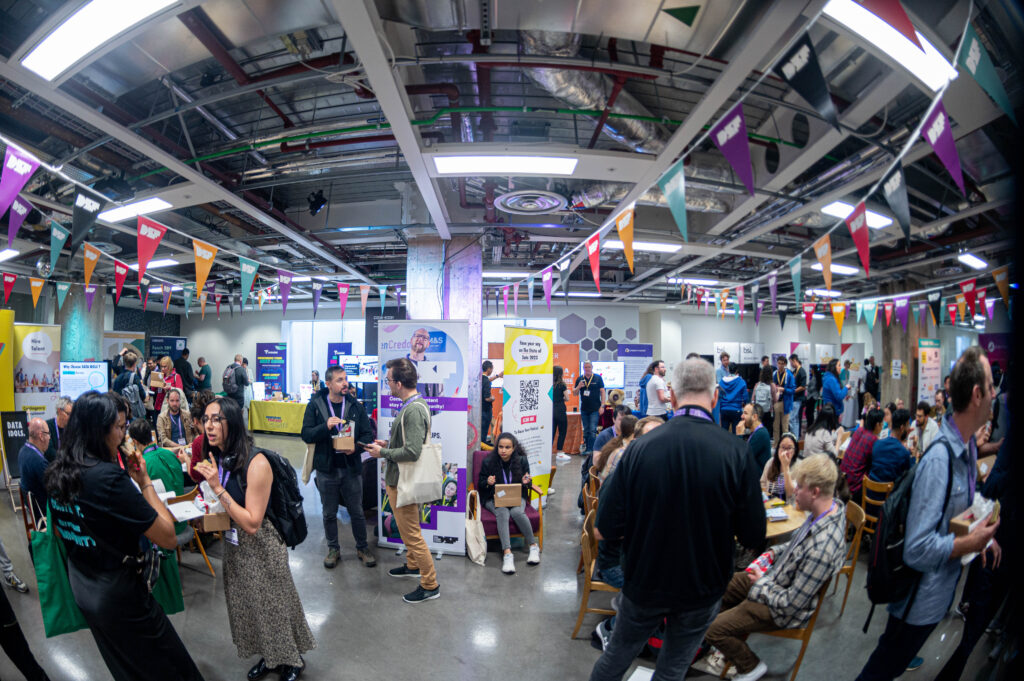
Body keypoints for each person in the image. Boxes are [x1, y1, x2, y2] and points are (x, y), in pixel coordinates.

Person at [588, 358, 765, 681]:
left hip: (644, 580)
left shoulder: (638, 449)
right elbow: (754, 534)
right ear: (715, 397)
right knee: (672, 670)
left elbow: (604, 529)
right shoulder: (736, 451)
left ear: (671, 394)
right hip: (703, 586)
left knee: (615, 658)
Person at [856, 347, 1001, 681]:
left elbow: (958, 509)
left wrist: (980, 534)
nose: (996, 394)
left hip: (936, 597)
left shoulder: (966, 447)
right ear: (977, 395)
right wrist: (970, 543)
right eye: (991, 386)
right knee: (879, 673)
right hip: (917, 605)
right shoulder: (939, 460)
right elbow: (917, 549)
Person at [43, 391, 203, 680]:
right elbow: (167, 535)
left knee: (126, 668)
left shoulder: (57, 472)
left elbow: (60, 528)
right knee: (172, 668)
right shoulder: (107, 478)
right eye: (118, 427)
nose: (123, 435)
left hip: (84, 586)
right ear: (98, 431)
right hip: (120, 595)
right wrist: (144, 481)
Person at [194, 397, 315, 681]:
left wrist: (217, 488)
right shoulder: (222, 457)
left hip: (262, 546)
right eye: (206, 419)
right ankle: (270, 656)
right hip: (236, 546)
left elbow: (251, 522)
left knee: (274, 605)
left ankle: (292, 660)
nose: (208, 426)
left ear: (233, 423)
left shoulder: (256, 462)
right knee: (251, 606)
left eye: (216, 419)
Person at [697, 454, 846, 680]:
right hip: (774, 581)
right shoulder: (825, 511)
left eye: (800, 487)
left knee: (713, 630)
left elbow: (790, 605)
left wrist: (762, 583)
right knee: (721, 587)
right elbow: (795, 546)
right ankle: (726, 644)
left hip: (778, 607)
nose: (794, 491)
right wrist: (773, 552)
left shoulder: (822, 549)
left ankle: (749, 666)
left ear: (815, 492)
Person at [364, 358, 440, 604]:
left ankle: (430, 584)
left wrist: (383, 452)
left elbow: (413, 452)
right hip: (400, 478)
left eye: (388, 380)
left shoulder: (414, 409)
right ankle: (412, 565)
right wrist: (389, 444)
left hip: (404, 480)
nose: (387, 385)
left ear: (398, 383)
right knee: (409, 530)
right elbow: (408, 443)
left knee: (412, 534)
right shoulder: (412, 405)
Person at [300, 365, 376, 569]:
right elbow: (306, 434)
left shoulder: (355, 405)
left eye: (345, 379)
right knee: (329, 513)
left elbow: (367, 435)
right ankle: (333, 549)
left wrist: (356, 448)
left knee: (357, 511)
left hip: (351, 468)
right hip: (326, 469)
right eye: (340, 380)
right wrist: (325, 427)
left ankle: (362, 547)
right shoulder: (315, 405)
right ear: (328, 384)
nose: (345, 383)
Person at [477, 432, 540, 574]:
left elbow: (528, 483)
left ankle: (533, 546)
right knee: (502, 511)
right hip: (493, 497)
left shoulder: (522, 461)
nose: (503, 450)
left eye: (507, 447)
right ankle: (507, 553)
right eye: (500, 447)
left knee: (517, 512)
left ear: (513, 448)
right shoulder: (488, 461)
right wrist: (487, 482)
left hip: (516, 496)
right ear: (497, 447)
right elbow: (481, 484)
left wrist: (526, 482)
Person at [866, 408, 912, 502]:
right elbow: (907, 480)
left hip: (869, 497)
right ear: (902, 428)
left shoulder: (877, 444)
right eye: (908, 425)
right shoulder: (904, 453)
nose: (909, 428)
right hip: (888, 504)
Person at [839, 408, 884, 501]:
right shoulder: (873, 440)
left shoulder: (859, 430)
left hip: (843, 480)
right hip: (855, 487)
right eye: (882, 423)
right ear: (877, 424)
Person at [19, 417, 51, 520]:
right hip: (45, 514)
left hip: (35, 512)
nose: (50, 438)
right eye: (48, 433)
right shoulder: (39, 462)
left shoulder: (23, 451)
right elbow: (55, 490)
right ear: (41, 436)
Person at [574, 361, 606, 455]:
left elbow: (602, 392)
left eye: (589, 367)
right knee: (586, 429)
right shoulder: (580, 379)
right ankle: (587, 448)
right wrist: (579, 386)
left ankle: (592, 449)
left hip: (595, 409)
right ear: (583, 368)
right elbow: (575, 393)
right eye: (585, 367)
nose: (587, 369)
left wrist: (602, 406)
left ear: (592, 367)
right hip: (584, 409)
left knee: (592, 429)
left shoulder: (597, 378)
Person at [594, 415, 637, 482]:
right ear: (634, 433)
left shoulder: (617, 443)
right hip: (608, 486)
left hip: (607, 483)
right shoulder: (622, 452)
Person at [157, 388, 197, 458]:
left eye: (177, 400)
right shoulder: (161, 417)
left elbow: (197, 432)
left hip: (188, 450)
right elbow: (163, 439)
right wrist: (180, 447)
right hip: (171, 451)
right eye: (172, 401)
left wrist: (194, 443)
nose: (175, 404)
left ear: (180, 401)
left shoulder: (188, 415)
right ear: (167, 401)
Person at [761, 433, 797, 501]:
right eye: (783, 447)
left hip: (788, 505)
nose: (785, 451)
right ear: (778, 449)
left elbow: (790, 494)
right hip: (770, 502)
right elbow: (762, 483)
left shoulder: (798, 466)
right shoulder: (771, 462)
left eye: (789, 448)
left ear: (795, 451)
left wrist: (785, 466)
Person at [718, 364, 749, 433]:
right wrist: (744, 405)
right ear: (736, 371)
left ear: (728, 370)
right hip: (736, 410)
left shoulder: (721, 381)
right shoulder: (741, 381)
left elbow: (719, 395)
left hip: (724, 409)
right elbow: (745, 397)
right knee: (738, 434)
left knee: (724, 433)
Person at [740, 403, 771, 470]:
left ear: (754, 417)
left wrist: (739, 433)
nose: (742, 416)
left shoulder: (761, 434)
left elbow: (742, 456)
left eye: (745, 413)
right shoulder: (753, 431)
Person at [772, 356, 795, 444]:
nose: (780, 365)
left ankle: (785, 444)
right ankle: (776, 443)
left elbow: (792, 390)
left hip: (786, 403)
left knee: (785, 426)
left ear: (785, 364)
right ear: (777, 363)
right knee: (776, 425)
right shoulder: (774, 374)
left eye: (782, 363)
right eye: (779, 363)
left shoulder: (789, 375)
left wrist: (784, 389)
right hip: (776, 402)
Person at [45, 395, 73, 460]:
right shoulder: (47, 426)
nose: (70, 418)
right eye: (68, 414)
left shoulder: (72, 428)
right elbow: (49, 451)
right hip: (53, 463)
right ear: (59, 411)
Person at [552, 365, 569, 459]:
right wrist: (561, 399)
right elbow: (567, 398)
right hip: (560, 410)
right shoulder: (562, 384)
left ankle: (548, 453)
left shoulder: (549, 384)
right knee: (562, 431)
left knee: (552, 432)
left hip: (551, 410)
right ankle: (559, 452)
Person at [788, 354, 807, 438]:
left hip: (798, 399)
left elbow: (803, 386)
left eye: (791, 362)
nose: (791, 364)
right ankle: (795, 436)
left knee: (791, 419)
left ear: (794, 360)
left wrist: (793, 391)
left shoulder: (802, 371)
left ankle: (794, 436)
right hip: (794, 398)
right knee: (795, 419)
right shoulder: (795, 371)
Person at [752, 366, 773, 438]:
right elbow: (775, 400)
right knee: (767, 429)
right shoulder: (771, 385)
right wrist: (778, 393)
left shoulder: (757, 385)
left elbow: (753, 398)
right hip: (768, 411)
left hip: (758, 410)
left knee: (758, 428)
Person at [480, 361, 497, 445]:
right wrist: (493, 398)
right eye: (492, 369)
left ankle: (481, 443)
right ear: (489, 369)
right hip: (486, 410)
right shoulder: (486, 381)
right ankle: (483, 445)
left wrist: (497, 376)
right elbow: (487, 398)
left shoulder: (480, 378)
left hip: (480, 409)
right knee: (484, 430)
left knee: (481, 430)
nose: (492, 371)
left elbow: (487, 380)